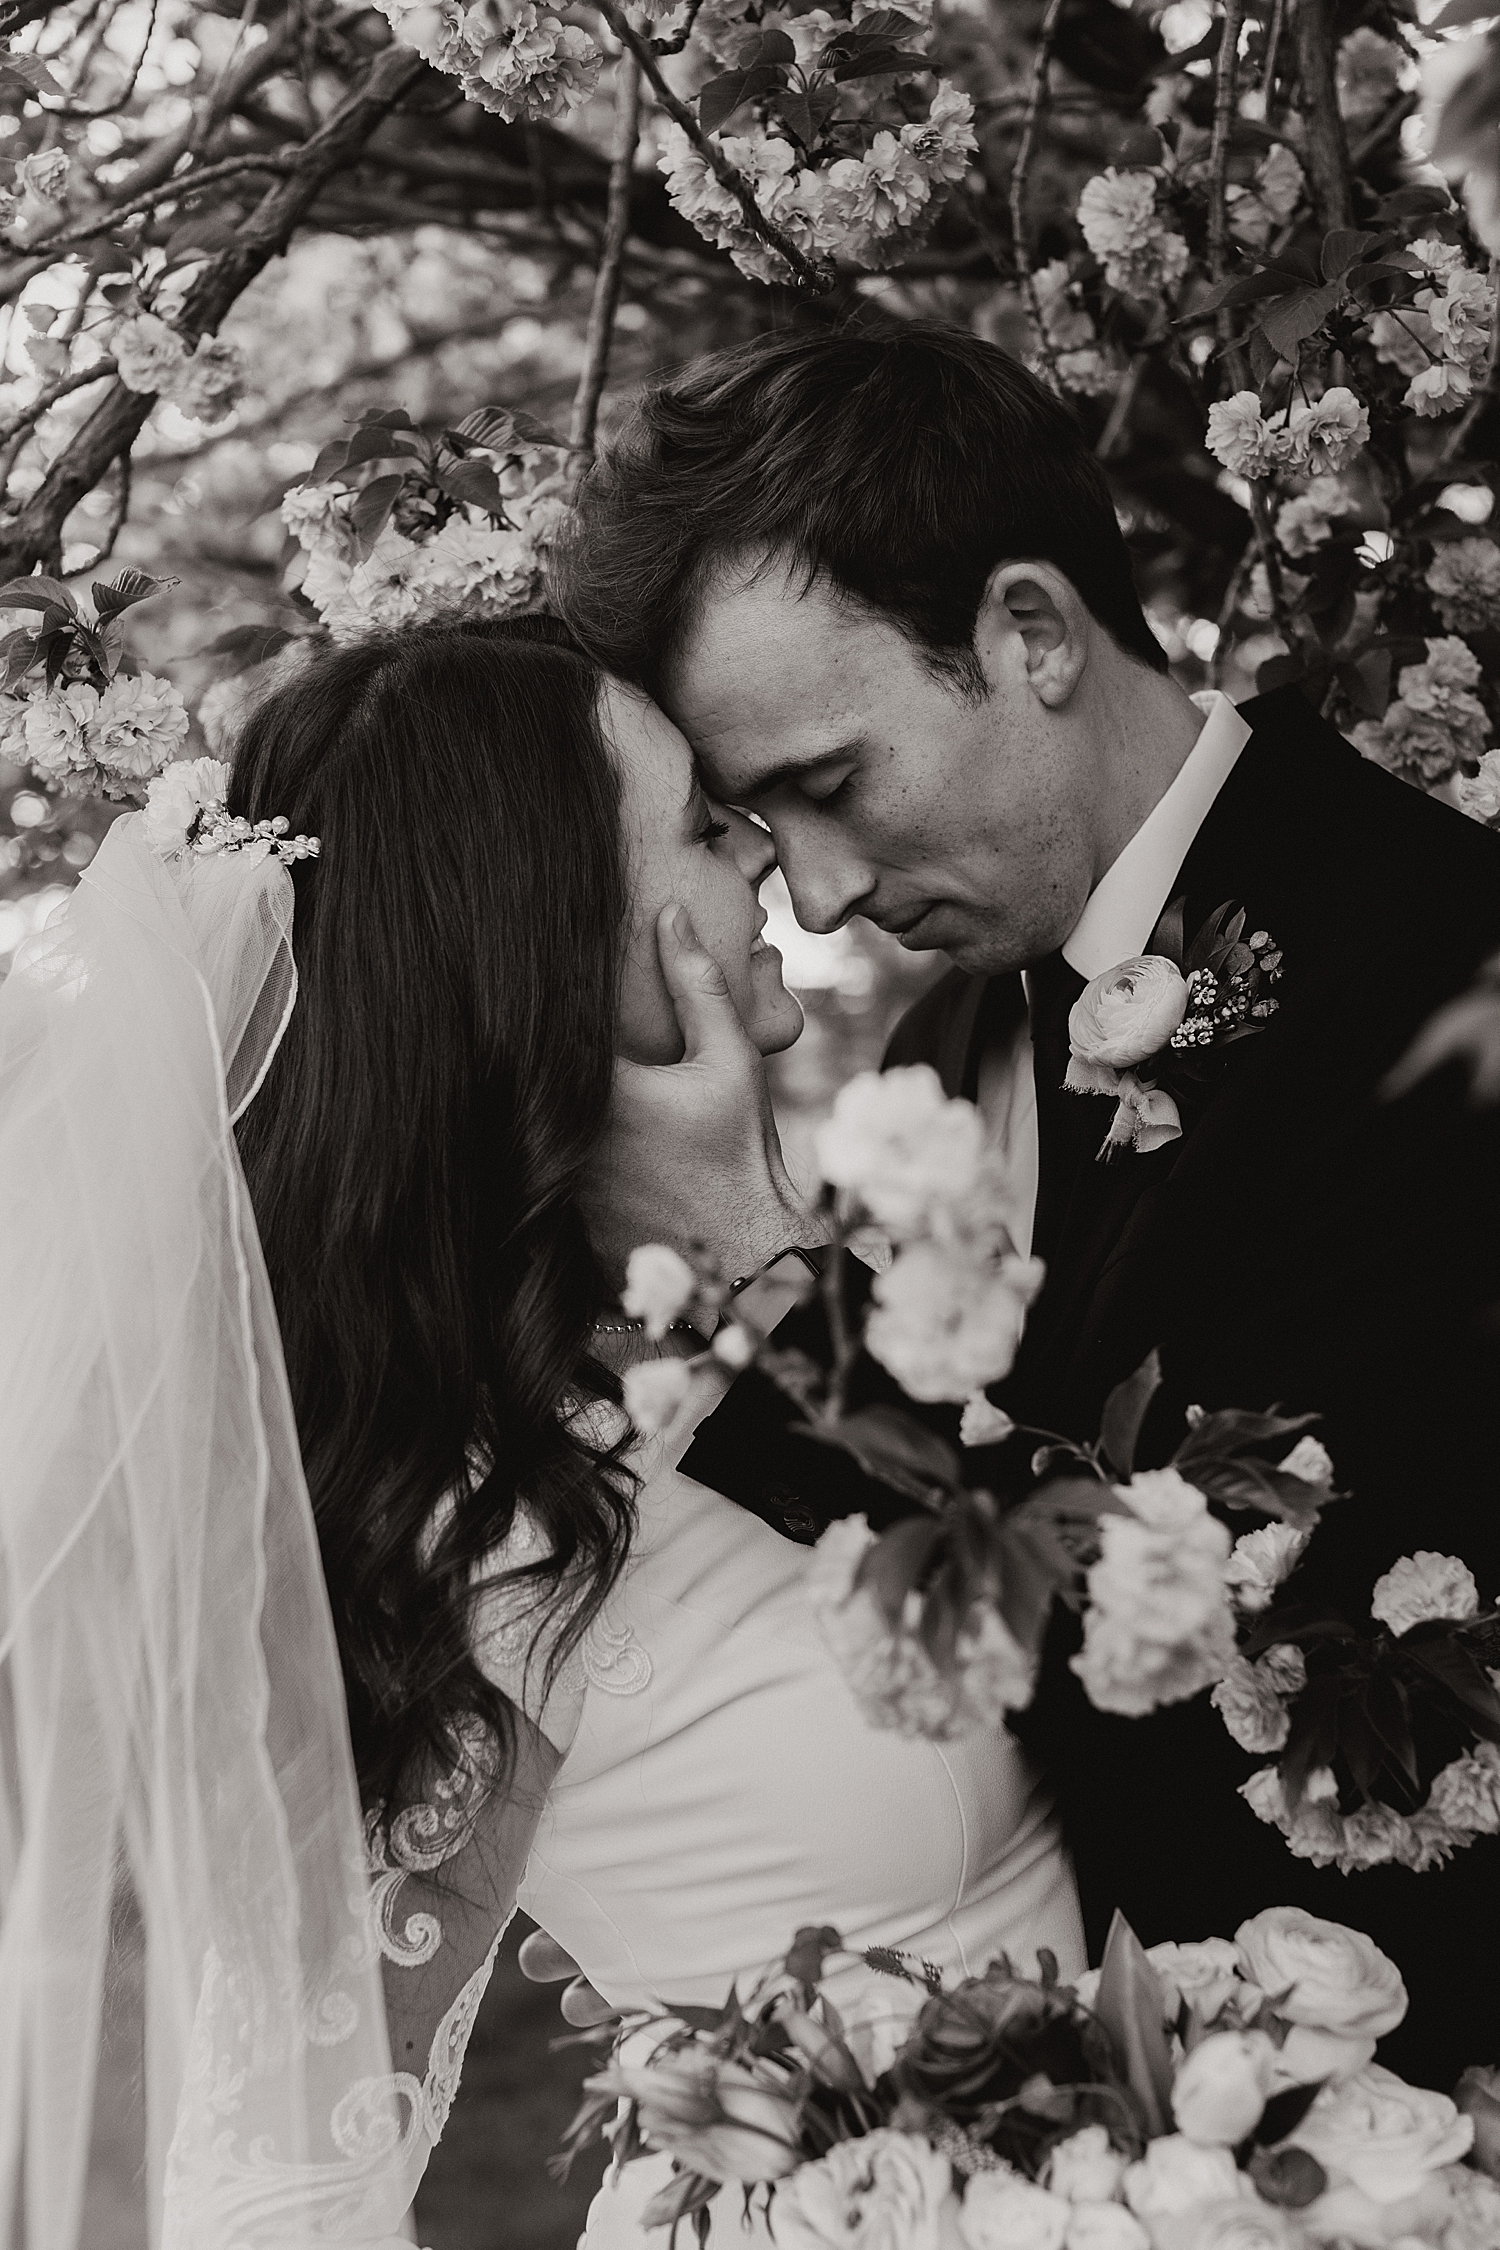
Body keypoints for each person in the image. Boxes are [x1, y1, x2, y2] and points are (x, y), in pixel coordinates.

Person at [0, 611, 1083, 2250]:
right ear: (553, 948)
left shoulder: (761, 1303)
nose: (777, 875)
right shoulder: (471, 1512)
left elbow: (1083, 1599)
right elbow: (273, 2172)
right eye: (711, 833)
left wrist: (743, 1226)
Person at [556, 321, 1500, 2087]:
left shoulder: (1437, 978)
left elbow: (1201, 1665)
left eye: (831, 786)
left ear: (1034, 633)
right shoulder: (958, 1020)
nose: (818, 900)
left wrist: (754, 1260)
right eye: (761, 823)